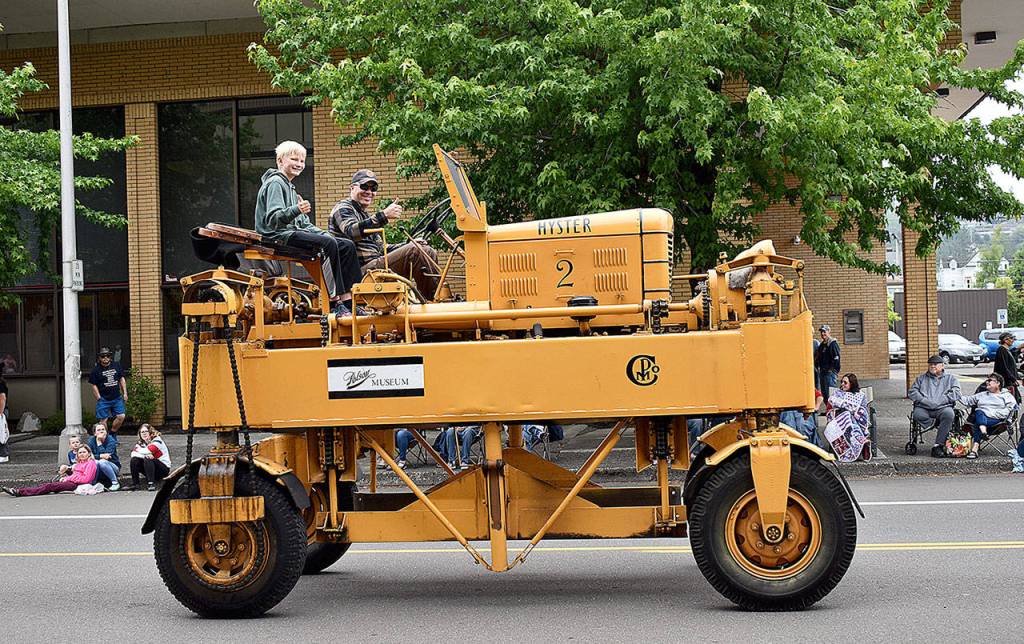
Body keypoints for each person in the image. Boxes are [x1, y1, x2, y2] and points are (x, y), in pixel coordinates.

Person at [254, 141, 364, 316]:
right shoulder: (275, 183)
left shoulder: (290, 188)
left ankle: (350, 301)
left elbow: (304, 224)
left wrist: (325, 234)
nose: (299, 164)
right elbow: (273, 219)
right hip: (276, 236)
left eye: (302, 161)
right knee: (327, 245)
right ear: (280, 160)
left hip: (289, 233)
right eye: (294, 159)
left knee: (345, 245)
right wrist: (296, 209)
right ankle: (335, 303)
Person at [329, 169, 440, 298]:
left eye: (373, 188)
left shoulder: (364, 215)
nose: (369, 192)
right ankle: (435, 301)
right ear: (352, 188)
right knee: (416, 251)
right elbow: (351, 231)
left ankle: (434, 298)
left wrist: (408, 244)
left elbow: (381, 249)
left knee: (426, 250)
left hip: (374, 266)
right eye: (364, 186)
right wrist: (384, 215)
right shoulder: (343, 208)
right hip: (358, 273)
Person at [908, 355, 962, 458]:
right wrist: (925, 401)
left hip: (943, 407)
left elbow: (957, 393)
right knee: (917, 414)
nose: (932, 366)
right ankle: (934, 423)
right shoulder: (921, 379)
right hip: (924, 407)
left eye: (935, 364)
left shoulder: (951, 378)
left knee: (949, 414)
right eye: (930, 364)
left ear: (942, 366)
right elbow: (912, 392)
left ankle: (938, 445)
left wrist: (940, 401)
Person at [2, 445, 97, 497]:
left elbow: (86, 479)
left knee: (49, 486)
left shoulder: (91, 463)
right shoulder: (79, 463)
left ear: (89, 453)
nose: (82, 454)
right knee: (47, 486)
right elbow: (76, 475)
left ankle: (20, 492)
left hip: (77, 485)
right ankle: (21, 490)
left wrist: (68, 479)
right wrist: (66, 476)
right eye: (80, 452)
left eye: (84, 452)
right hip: (72, 482)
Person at [959, 373, 1017, 459]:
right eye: (987, 380)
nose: (987, 382)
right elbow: (967, 401)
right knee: (979, 413)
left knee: (979, 413)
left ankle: (975, 449)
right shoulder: (982, 395)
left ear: (998, 383)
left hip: (998, 422)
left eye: (990, 380)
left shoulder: (1006, 396)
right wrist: (956, 394)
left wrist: (989, 413)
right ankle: (982, 435)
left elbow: (1007, 411)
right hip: (983, 420)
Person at [823, 374, 870, 461]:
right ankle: (860, 440)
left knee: (849, 416)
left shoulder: (860, 395)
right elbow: (830, 408)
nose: (842, 384)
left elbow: (864, 410)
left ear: (852, 384)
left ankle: (859, 442)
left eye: (845, 382)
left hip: (856, 419)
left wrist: (855, 412)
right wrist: (843, 406)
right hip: (838, 418)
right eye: (842, 382)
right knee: (847, 415)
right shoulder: (837, 393)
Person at [88, 347, 127, 434]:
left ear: (110, 357)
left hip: (116, 397)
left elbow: (121, 379)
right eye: (103, 356)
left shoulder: (116, 365)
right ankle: (106, 437)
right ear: (99, 358)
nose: (105, 358)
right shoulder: (96, 370)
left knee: (121, 416)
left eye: (108, 356)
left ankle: (113, 433)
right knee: (103, 420)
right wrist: (98, 397)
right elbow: (93, 385)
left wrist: (125, 393)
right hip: (104, 399)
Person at [129, 424, 171, 491]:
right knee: (134, 460)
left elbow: (147, 450)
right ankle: (135, 484)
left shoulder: (157, 441)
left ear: (150, 432)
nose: (144, 433)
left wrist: (138, 451)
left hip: (163, 470)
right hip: (149, 468)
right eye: (142, 432)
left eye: (146, 431)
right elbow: (133, 454)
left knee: (148, 458)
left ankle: (151, 484)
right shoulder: (140, 443)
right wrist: (144, 454)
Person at [87, 423, 121, 490]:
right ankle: (93, 483)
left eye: (103, 429)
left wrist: (99, 442)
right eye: (98, 430)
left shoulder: (111, 440)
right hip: (98, 467)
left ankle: (115, 482)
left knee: (102, 462)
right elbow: (89, 456)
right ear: (95, 433)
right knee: (95, 462)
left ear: (106, 431)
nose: (101, 431)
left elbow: (107, 456)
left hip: (113, 466)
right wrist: (99, 456)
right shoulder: (91, 440)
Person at [814, 325, 841, 399]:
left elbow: (836, 358)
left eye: (824, 331)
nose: (823, 334)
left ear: (829, 332)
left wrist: (832, 370)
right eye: (821, 332)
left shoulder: (832, 344)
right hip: (823, 372)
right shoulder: (822, 344)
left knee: (831, 394)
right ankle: (828, 410)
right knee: (825, 394)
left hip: (830, 373)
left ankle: (833, 410)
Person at [993, 332, 1020, 403]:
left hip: (1009, 381)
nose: (1013, 340)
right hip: (1006, 382)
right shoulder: (1002, 350)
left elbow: (1014, 352)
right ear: (1005, 340)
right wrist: (1013, 379)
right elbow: (1004, 368)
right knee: (1008, 401)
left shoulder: (1006, 350)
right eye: (1012, 338)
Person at [0, 372, 9, 463]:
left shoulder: (1, 384)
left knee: (2, 433)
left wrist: (0, 412)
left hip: (1, 411)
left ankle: (3, 454)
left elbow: (2, 397)